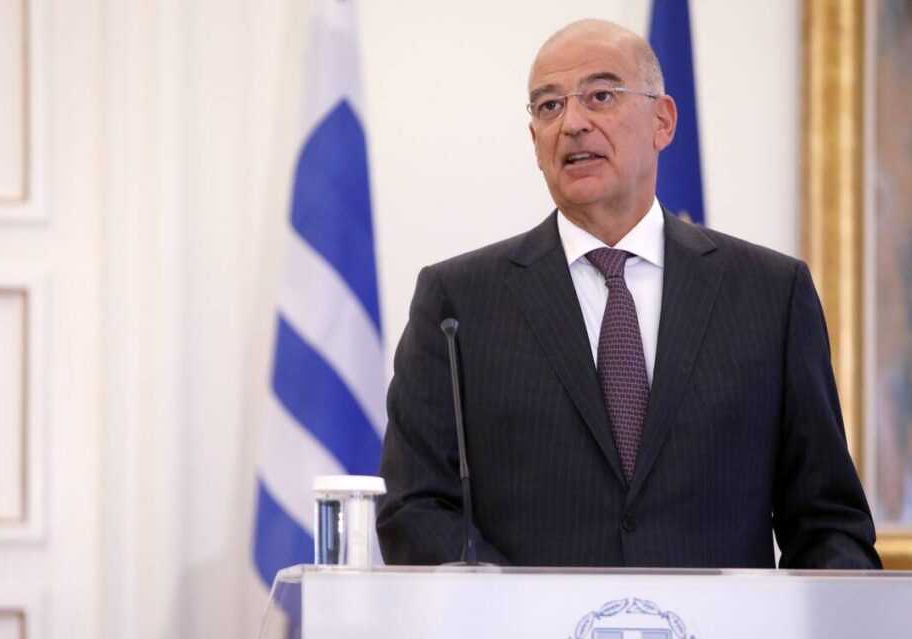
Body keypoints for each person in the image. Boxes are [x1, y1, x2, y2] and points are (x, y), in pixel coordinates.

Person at [377, 18, 881, 569]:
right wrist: (516, 604)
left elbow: (827, 523)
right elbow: (415, 508)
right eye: (549, 106)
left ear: (662, 121)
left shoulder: (770, 295)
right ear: (535, 142)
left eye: (600, 96)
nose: (572, 124)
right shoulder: (458, 302)